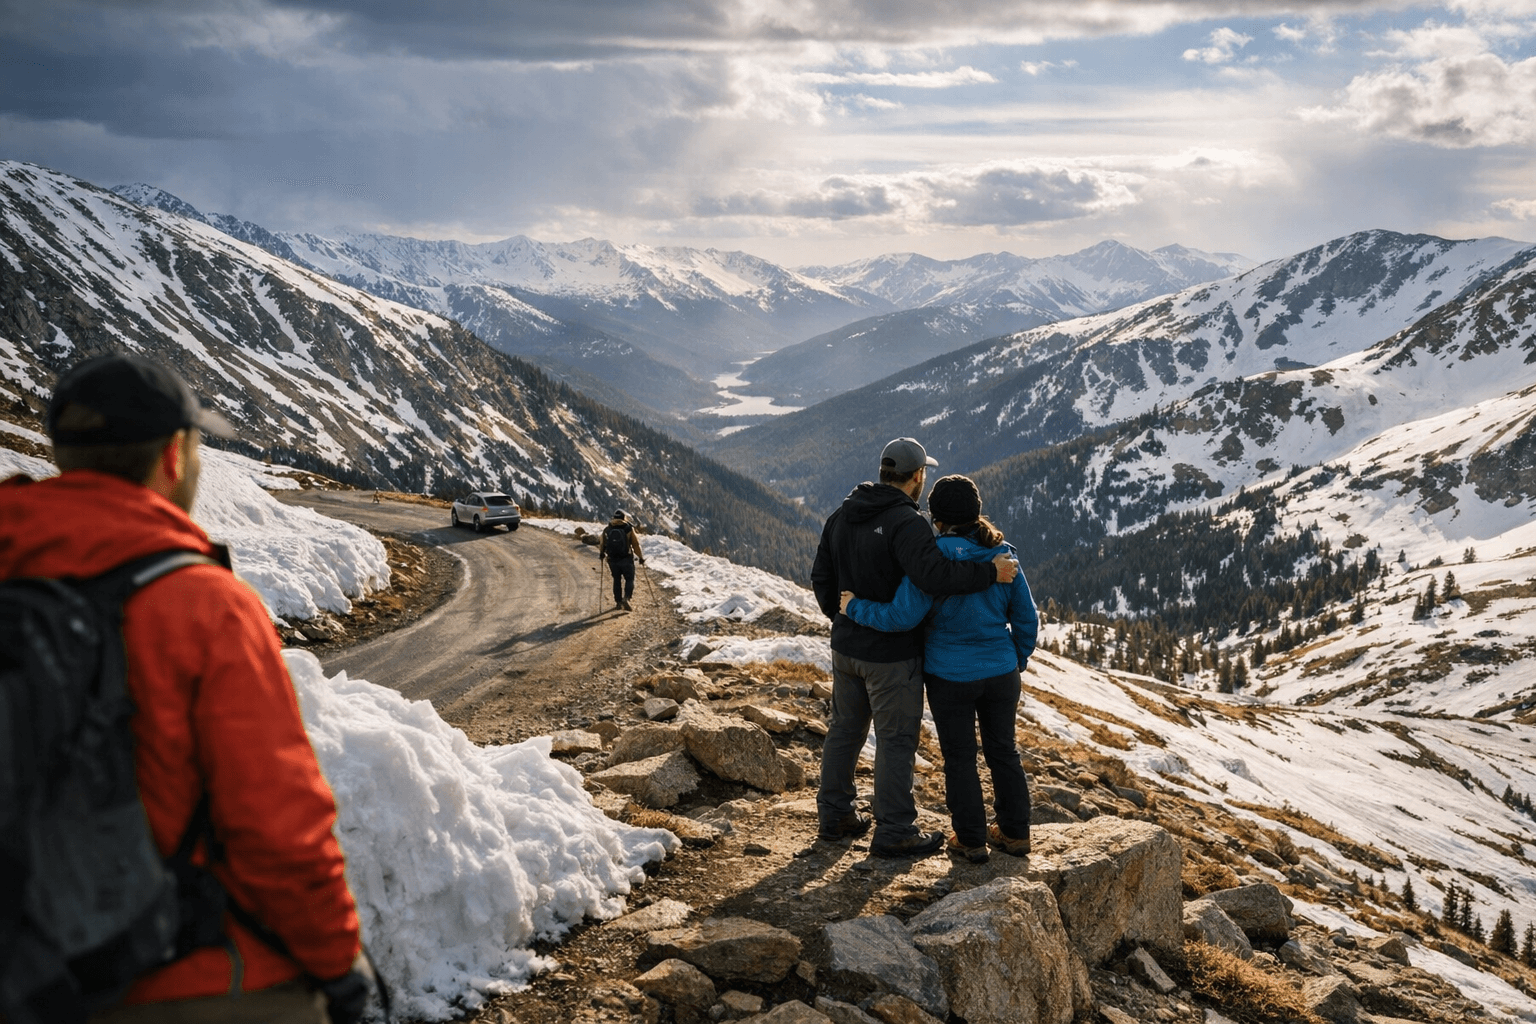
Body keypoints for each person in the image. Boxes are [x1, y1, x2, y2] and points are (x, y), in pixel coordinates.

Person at [0, 353, 369, 1024]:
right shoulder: (200, 605)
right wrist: (339, 964)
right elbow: (278, 828)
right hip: (176, 971)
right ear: (175, 455)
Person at [810, 437, 1018, 859]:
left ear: (884, 471)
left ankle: (835, 816)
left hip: (847, 648)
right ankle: (895, 830)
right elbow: (934, 576)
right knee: (896, 740)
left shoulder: (842, 513)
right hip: (892, 656)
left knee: (845, 730)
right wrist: (989, 573)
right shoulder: (907, 522)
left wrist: (845, 618)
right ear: (918, 476)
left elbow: (821, 580)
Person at [600, 508, 644, 611]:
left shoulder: (608, 529)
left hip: (612, 559)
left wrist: (602, 553)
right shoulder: (628, 528)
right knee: (629, 579)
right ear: (624, 518)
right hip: (626, 558)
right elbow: (635, 544)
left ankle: (618, 602)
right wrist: (641, 557)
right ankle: (627, 598)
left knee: (616, 579)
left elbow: (602, 543)